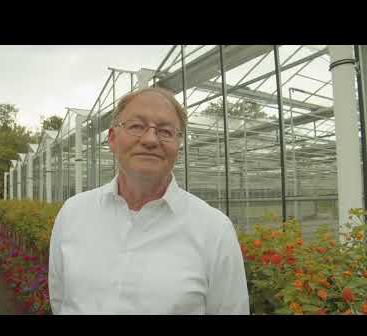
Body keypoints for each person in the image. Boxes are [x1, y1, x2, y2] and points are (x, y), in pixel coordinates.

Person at [48, 86, 249, 315]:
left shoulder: (215, 230)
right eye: (136, 126)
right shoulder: (73, 213)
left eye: (165, 131)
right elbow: (61, 300)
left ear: (179, 145)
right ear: (112, 138)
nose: (151, 139)